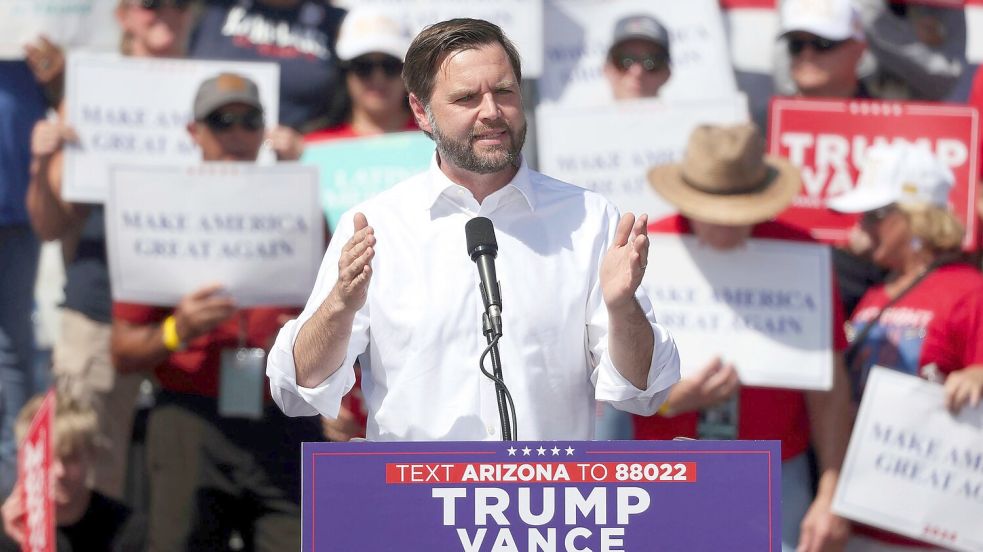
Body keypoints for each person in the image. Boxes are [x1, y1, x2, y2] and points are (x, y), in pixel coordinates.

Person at [267, 18, 680, 441]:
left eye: (504, 92)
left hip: (548, 500)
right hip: (412, 499)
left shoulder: (590, 219)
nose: (491, 112)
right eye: (466, 98)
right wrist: (339, 305)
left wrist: (622, 306)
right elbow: (297, 388)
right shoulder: (378, 226)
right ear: (420, 113)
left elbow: (644, 392)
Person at [110, 73, 321, 551]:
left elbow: (343, 311)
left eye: (250, 121)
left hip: (281, 412)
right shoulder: (161, 212)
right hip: (190, 417)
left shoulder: (298, 204)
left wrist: (306, 334)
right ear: (194, 132)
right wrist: (175, 330)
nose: (237, 134)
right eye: (222, 120)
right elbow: (122, 348)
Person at [641, 124, 854, 552]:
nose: (724, 231)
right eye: (712, 216)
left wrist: (832, 494)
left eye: (738, 218)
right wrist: (665, 399)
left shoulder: (801, 254)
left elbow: (829, 391)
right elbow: (598, 381)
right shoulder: (647, 248)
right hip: (660, 472)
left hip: (775, 475)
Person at [25, 0, 196, 502]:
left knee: (185, 488)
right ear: (123, 15)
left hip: (195, 319)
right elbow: (52, 226)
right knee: (83, 485)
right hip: (100, 310)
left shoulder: (222, 92)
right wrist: (44, 162)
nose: (166, 14)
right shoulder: (90, 95)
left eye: (181, 5)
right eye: (151, 5)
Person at [827, 143, 983, 551]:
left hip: (930, 529)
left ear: (917, 219)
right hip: (858, 514)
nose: (863, 225)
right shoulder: (876, 292)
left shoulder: (969, 291)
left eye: (876, 215)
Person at [0, 392, 145, 552]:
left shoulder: (124, 526)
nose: (59, 471)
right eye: (47, 459)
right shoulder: (9, 527)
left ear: (92, 454)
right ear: (26, 458)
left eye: (70, 458)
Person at [188, 0, 347, 132]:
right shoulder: (203, 8)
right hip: (212, 156)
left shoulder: (339, 22)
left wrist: (306, 145)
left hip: (307, 157)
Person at [306, 8, 416, 142]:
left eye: (390, 66)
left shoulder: (439, 141)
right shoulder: (315, 147)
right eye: (363, 67)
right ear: (345, 72)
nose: (378, 78)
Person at [603, 13, 672, 101]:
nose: (637, 71)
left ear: (667, 73)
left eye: (651, 62)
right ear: (606, 69)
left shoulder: (688, 114)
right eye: (625, 61)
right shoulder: (583, 114)